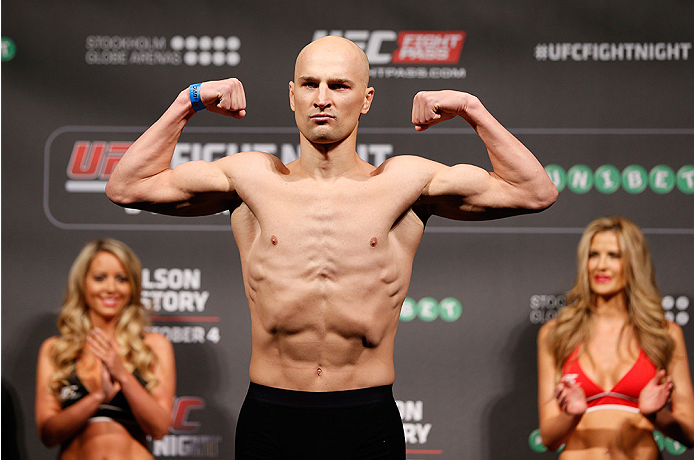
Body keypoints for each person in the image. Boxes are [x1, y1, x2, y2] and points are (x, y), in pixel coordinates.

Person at [106, 35, 557, 458]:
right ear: (292, 96)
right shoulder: (251, 179)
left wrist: (470, 108)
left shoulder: (405, 182)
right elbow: (127, 186)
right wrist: (191, 99)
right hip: (271, 415)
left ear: (366, 99)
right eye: (310, 84)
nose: (322, 98)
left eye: (339, 85)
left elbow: (534, 192)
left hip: (365, 418)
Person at [537, 216, 694, 459]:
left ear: (633, 262)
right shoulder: (557, 333)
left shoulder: (664, 333)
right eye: (593, 255)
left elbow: (690, 433)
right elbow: (548, 437)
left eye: (614, 255)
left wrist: (654, 414)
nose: (601, 265)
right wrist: (573, 414)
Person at [35, 238, 176, 460]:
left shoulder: (154, 346)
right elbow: (48, 434)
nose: (111, 288)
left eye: (121, 279)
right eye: (100, 278)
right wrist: (98, 397)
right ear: (83, 283)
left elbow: (159, 428)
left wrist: (122, 374)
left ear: (132, 286)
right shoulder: (55, 350)